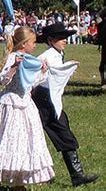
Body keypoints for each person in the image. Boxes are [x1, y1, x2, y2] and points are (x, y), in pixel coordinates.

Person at [0, 27, 54, 190]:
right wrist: (14, 67)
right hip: (10, 105)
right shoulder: (13, 57)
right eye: (33, 42)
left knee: (23, 143)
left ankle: (18, 181)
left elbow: (30, 84)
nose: (35, 46)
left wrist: (42, 72)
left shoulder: (30, 59)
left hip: (26, 106)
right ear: (24, 43)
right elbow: (2, 80)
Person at [33, 23, 99, 186]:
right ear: (50, 40)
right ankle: (71, 174)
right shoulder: (46, 56)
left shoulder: (58, 54)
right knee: (38, 135)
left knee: (62, 130)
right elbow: (35, 77)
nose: (65, 41)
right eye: (61, 38)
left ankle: (76, 174)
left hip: (50, 99)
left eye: (65, 37)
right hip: (42, 100)